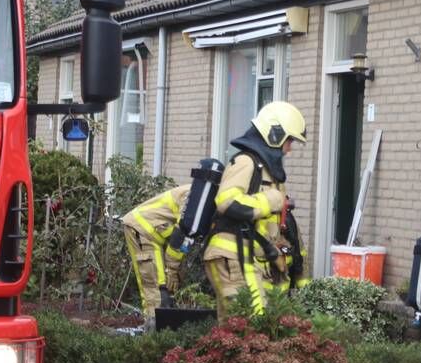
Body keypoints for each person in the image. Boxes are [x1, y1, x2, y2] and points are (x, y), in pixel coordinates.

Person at [204, 101, 307, 320]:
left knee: (244, 328)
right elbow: (226, 201)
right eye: (289, 140)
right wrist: (270, 200)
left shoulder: (269, 173)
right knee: (250, 323)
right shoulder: (245, 162)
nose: (289, 149)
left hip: (248, 256)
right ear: (274, 134)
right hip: (232, 255)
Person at [121, 184, 190, 332]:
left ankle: (162, 332)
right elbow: (180, 237)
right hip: (142, 228)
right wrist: (171, 270)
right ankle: (153, 336)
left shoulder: (203, 198)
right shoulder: (195, 200)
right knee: (155, 288)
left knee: (164, 288)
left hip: (156, 233)